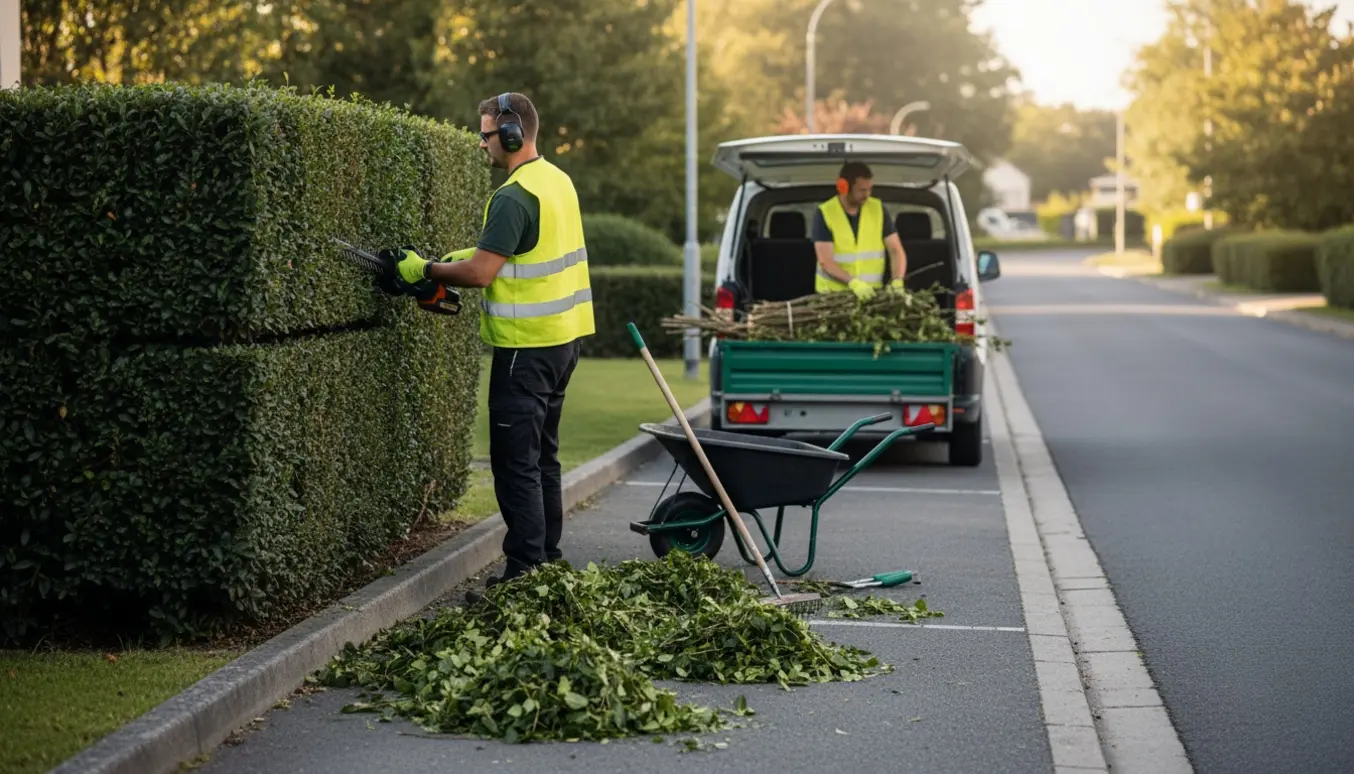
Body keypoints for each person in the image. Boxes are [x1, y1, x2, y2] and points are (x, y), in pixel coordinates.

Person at [394, 92, 594, 603]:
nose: (481, 144)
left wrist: (427, 270)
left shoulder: (512, 196)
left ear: (510, 135)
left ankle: (523, 575)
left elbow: (482, 274)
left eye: (485, 135)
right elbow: (520, 253)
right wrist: (470, 254)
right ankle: (545, 559)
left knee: (515, 465)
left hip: (524, 352)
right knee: (543, 457)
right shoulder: (556, 180)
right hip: (563, 344)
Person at [812, 161, 908, 300]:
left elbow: (895, 249)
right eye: (862, 190)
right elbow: (825, 261)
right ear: (843, 187)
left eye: (870, 189)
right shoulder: (826, 212)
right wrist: (853, 283)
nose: (867, 194)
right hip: (833, 298)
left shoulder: (877, 209)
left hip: (871, 296)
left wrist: (898, 279)